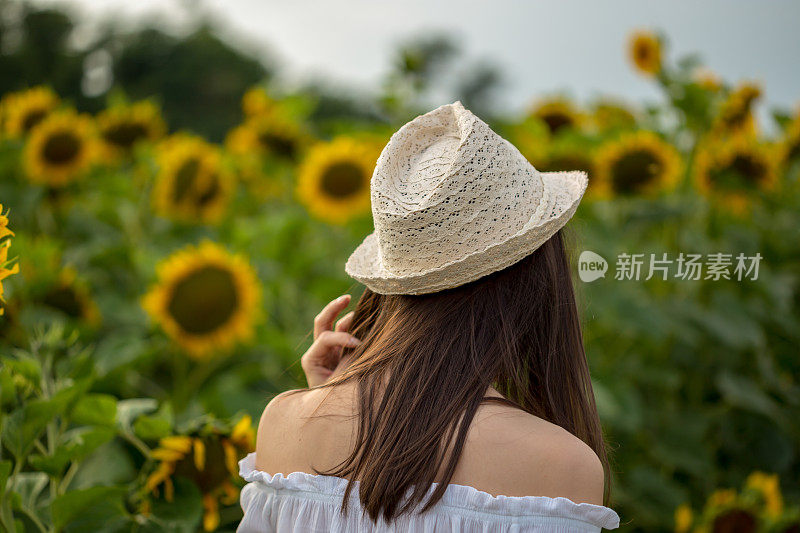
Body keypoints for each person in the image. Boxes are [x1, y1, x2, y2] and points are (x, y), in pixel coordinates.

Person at [238, 101, 620, 532]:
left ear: (393, 283)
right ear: (535, 275)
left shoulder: (282, 425)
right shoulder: (560, 466)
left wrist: (326, 403)